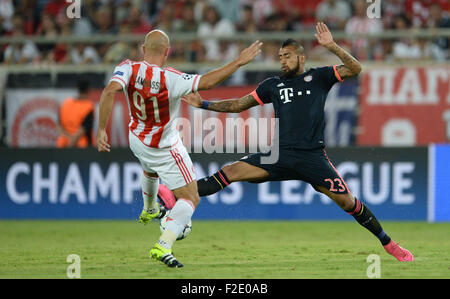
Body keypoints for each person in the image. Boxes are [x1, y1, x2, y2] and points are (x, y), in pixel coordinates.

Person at [160, 22, 414, 262]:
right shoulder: (273, 85)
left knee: (348, 202)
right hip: (278, 156)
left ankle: (389, 244)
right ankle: (171, 196)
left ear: (301, 58)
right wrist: (204, 104)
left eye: (287, 56)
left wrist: (332, 46)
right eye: (280, 56)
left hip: (312, 157)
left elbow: (356, 69)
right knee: (230, 171)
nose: (282, 60)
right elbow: (239, 104)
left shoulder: (320, 77)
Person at [96, 29, 262, 268]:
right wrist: (238, 61)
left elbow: (110, 90)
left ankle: (150, 208)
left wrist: (102, 129)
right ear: (167, 52)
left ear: (143, 50)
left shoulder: (127, 67)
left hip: (137, 138)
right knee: (190, 197)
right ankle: (163, 245)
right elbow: (208, 82)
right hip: (164, 146)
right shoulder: (172, 78)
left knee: (149, 169)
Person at [57, 79, 94, 148]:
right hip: (81, 145)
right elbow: (84, 128)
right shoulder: (89, 106)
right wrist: (73, 140)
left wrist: (68, 138)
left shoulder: (66, 103)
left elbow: (58, 126)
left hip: (63, 144)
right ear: (88, 90)